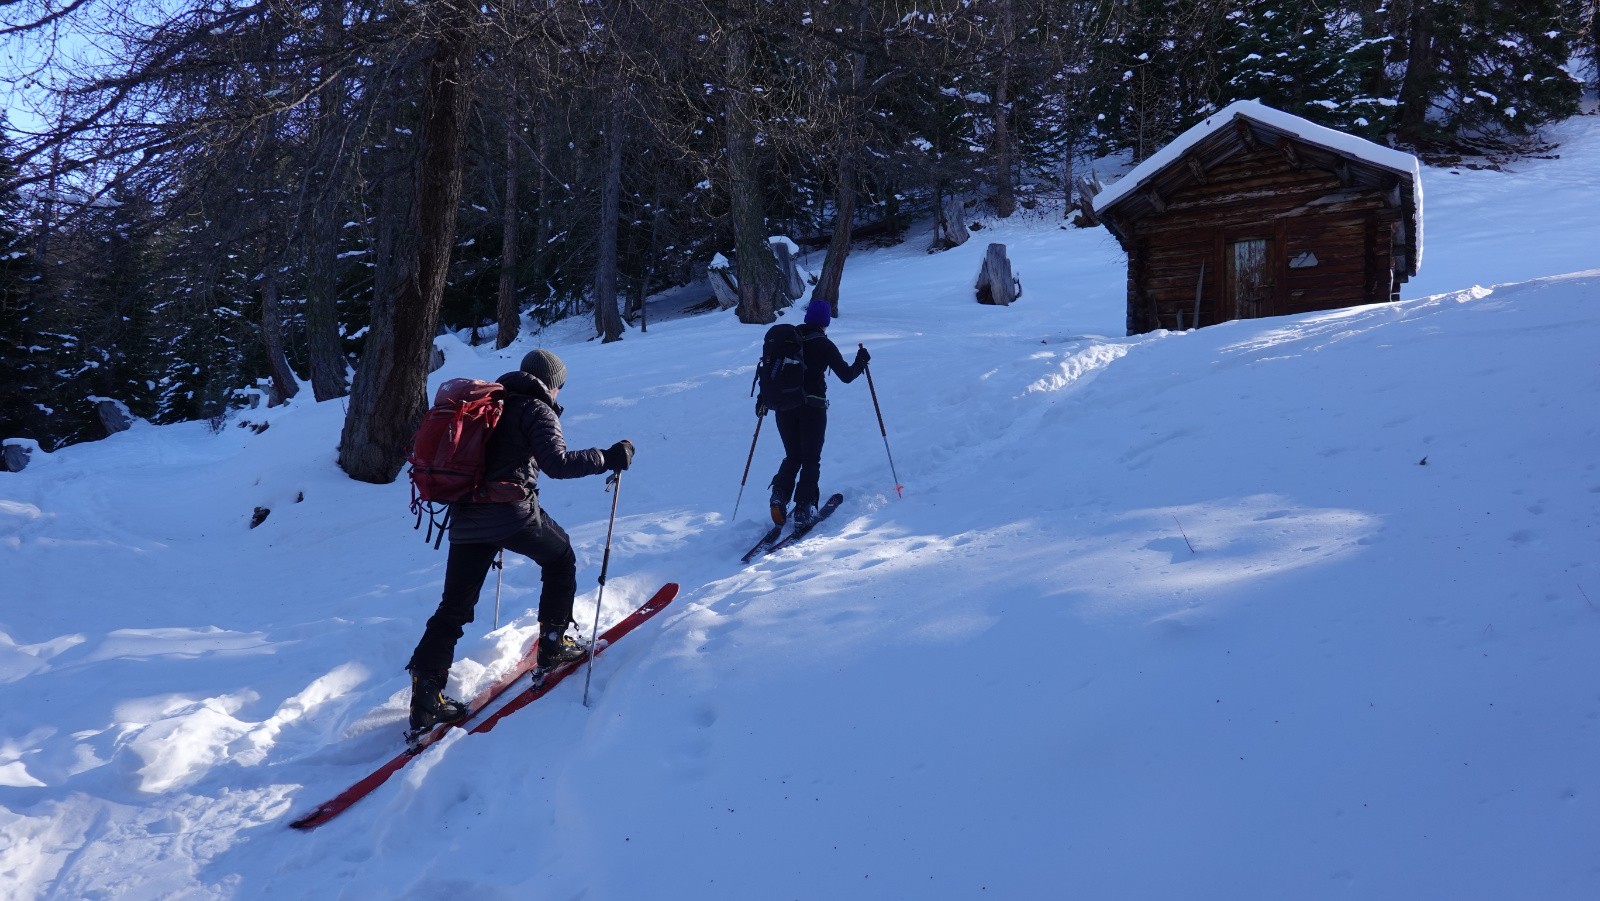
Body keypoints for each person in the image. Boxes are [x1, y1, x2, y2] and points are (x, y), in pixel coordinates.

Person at [406, 349, 634, 734]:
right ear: (552, 383)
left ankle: (427, 696)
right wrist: (608, 457)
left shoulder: (490, 403)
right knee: (561, 558)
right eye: (560, 386)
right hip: (511, 514)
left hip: (465, 517)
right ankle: (552, 642)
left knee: (454, 607)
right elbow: (558, 464)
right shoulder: (536, 409)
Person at [761, 298, 870, 526]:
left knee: (793, 456)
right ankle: (803, 507)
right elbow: (847, 376)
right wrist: (861, 361)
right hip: (813, 408)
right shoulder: (823, 344)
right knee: (811, 459)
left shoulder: (788, 340)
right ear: (825, 321)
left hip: (784, 407)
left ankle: (779, 495)